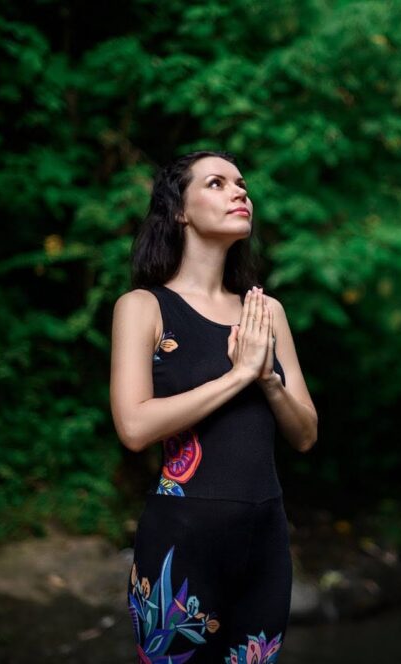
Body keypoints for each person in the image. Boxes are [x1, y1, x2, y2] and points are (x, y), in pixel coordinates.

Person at [109, 149, 318, 663]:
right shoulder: (143, 307)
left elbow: (306, 432)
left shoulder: (265, 312)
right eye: (217, 183)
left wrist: (266, 377)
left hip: (265, 539)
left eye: (241, 183)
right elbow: (135, 427)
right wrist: (239, 375)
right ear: (179, 210)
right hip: (182, 539)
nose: (240, 192)